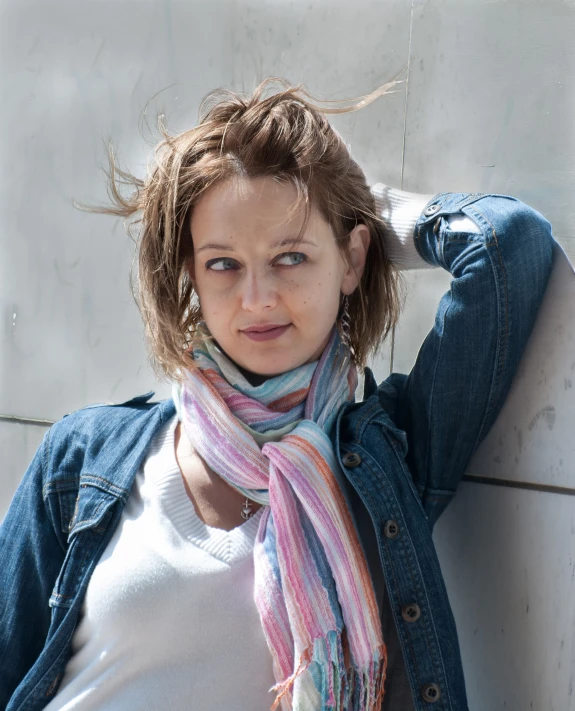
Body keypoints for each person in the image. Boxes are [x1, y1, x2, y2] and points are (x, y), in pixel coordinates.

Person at [0, 77, 555, 711]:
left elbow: (509, 244)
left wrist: (363, 212)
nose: (257, 297)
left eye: (290, 257)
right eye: (223, 264)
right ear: (190, 276)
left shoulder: (388, 458)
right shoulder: (84, 458)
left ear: (350, 262)